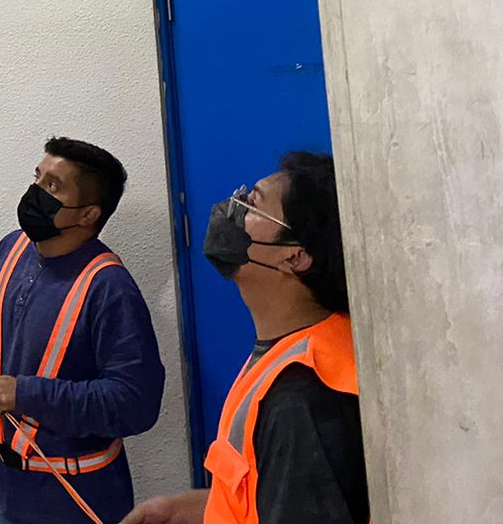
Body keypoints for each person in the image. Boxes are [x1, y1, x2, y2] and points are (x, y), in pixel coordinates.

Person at [123, 153, 368, 524]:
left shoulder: (301, 396)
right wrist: (185, 509)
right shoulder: (288, 352)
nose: (232, 208)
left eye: (252, 203)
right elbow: (272, 494)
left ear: (295, 257)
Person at [0, 138, 165, 524]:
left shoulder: (110, 288)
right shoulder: (10, 249)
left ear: (88, 214)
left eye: (53, 186)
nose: (35, 192)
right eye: (37, 177)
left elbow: (135, 403)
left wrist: (27, 394)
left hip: (70, 501)